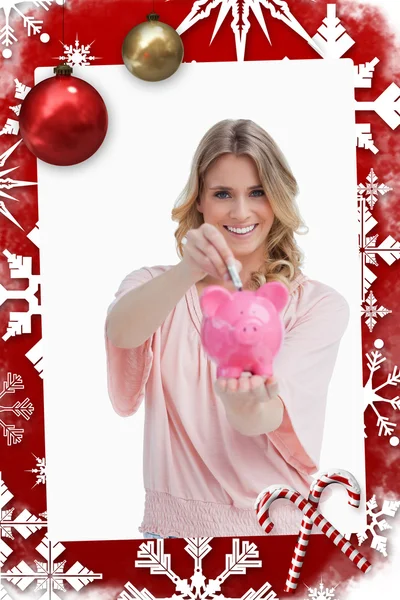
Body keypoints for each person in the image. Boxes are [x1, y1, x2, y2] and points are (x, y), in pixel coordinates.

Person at [104, 119, 350, 539]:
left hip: (278, 534)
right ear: (199, 200)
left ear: (278, 199)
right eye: (223, 194)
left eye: (257, 192)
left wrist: (241, 403)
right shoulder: (154, 286)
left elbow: (266, 417)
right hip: (173, 535)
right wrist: (189, 269)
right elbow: (122, 332)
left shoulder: (317, 306)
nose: (240, 212)